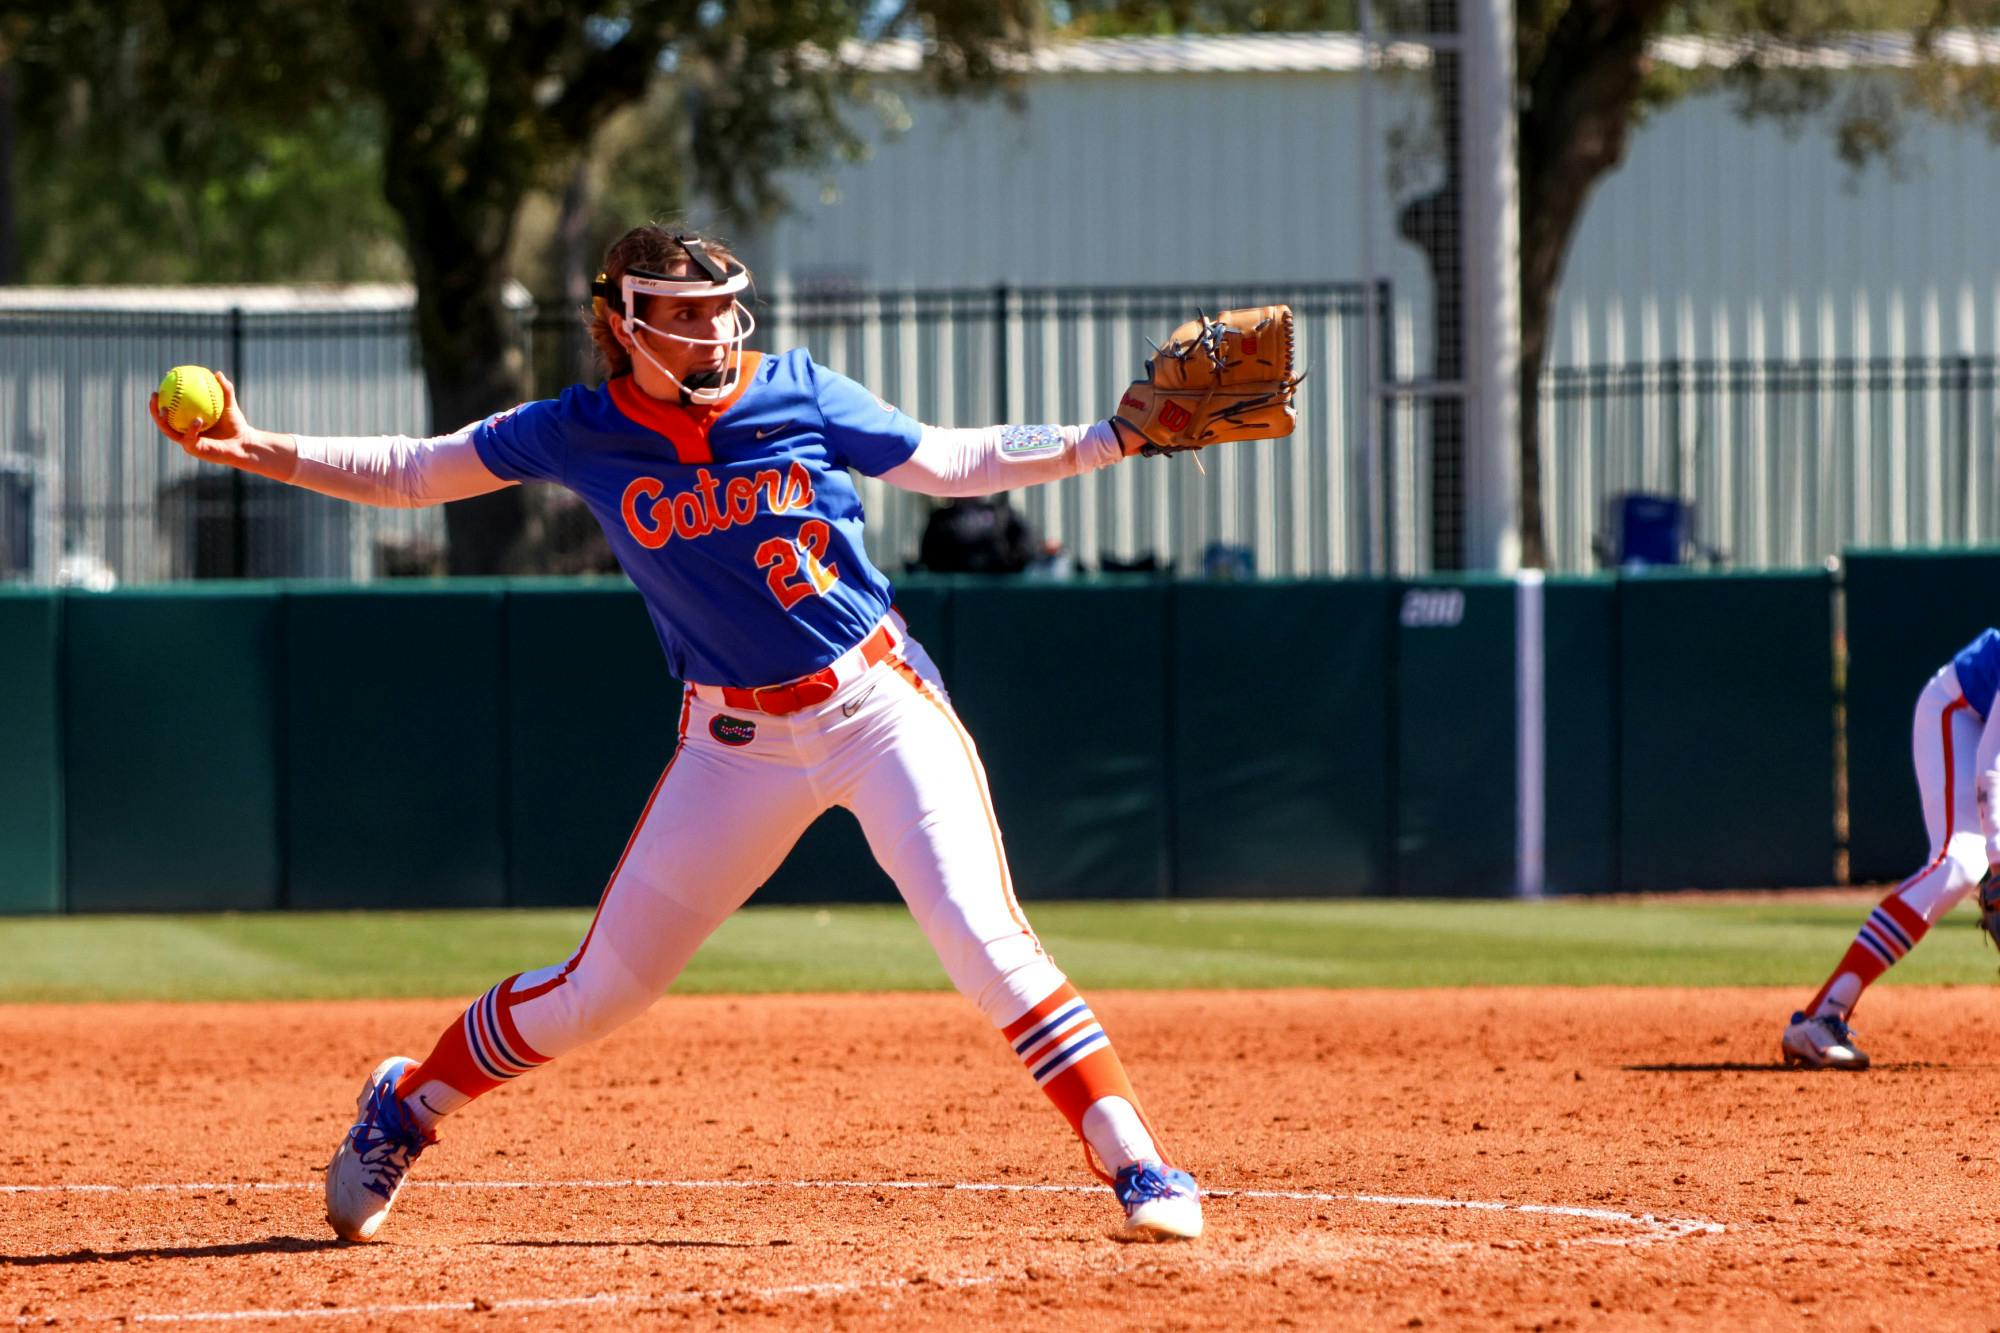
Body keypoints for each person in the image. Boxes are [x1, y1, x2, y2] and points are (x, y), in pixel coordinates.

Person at [149, 226, 1202, 1242]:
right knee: (597, 994)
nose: (713, 330)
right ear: (622, 322)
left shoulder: (797, 389)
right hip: (732, 746)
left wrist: (1107, 438)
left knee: (983, 937)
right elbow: (418, 471)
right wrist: (258, 449)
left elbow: (943, 460)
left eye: (719, 309)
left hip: (877, 704)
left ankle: (1136, 1164)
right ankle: (406, 1105)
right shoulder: (579, 426)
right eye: (686, 314)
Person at [1782, 628, 2000, 1069]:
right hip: (1958, 712)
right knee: (1961, 860)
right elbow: (1991, 768)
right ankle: (1820, 1019)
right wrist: (1998, 859)